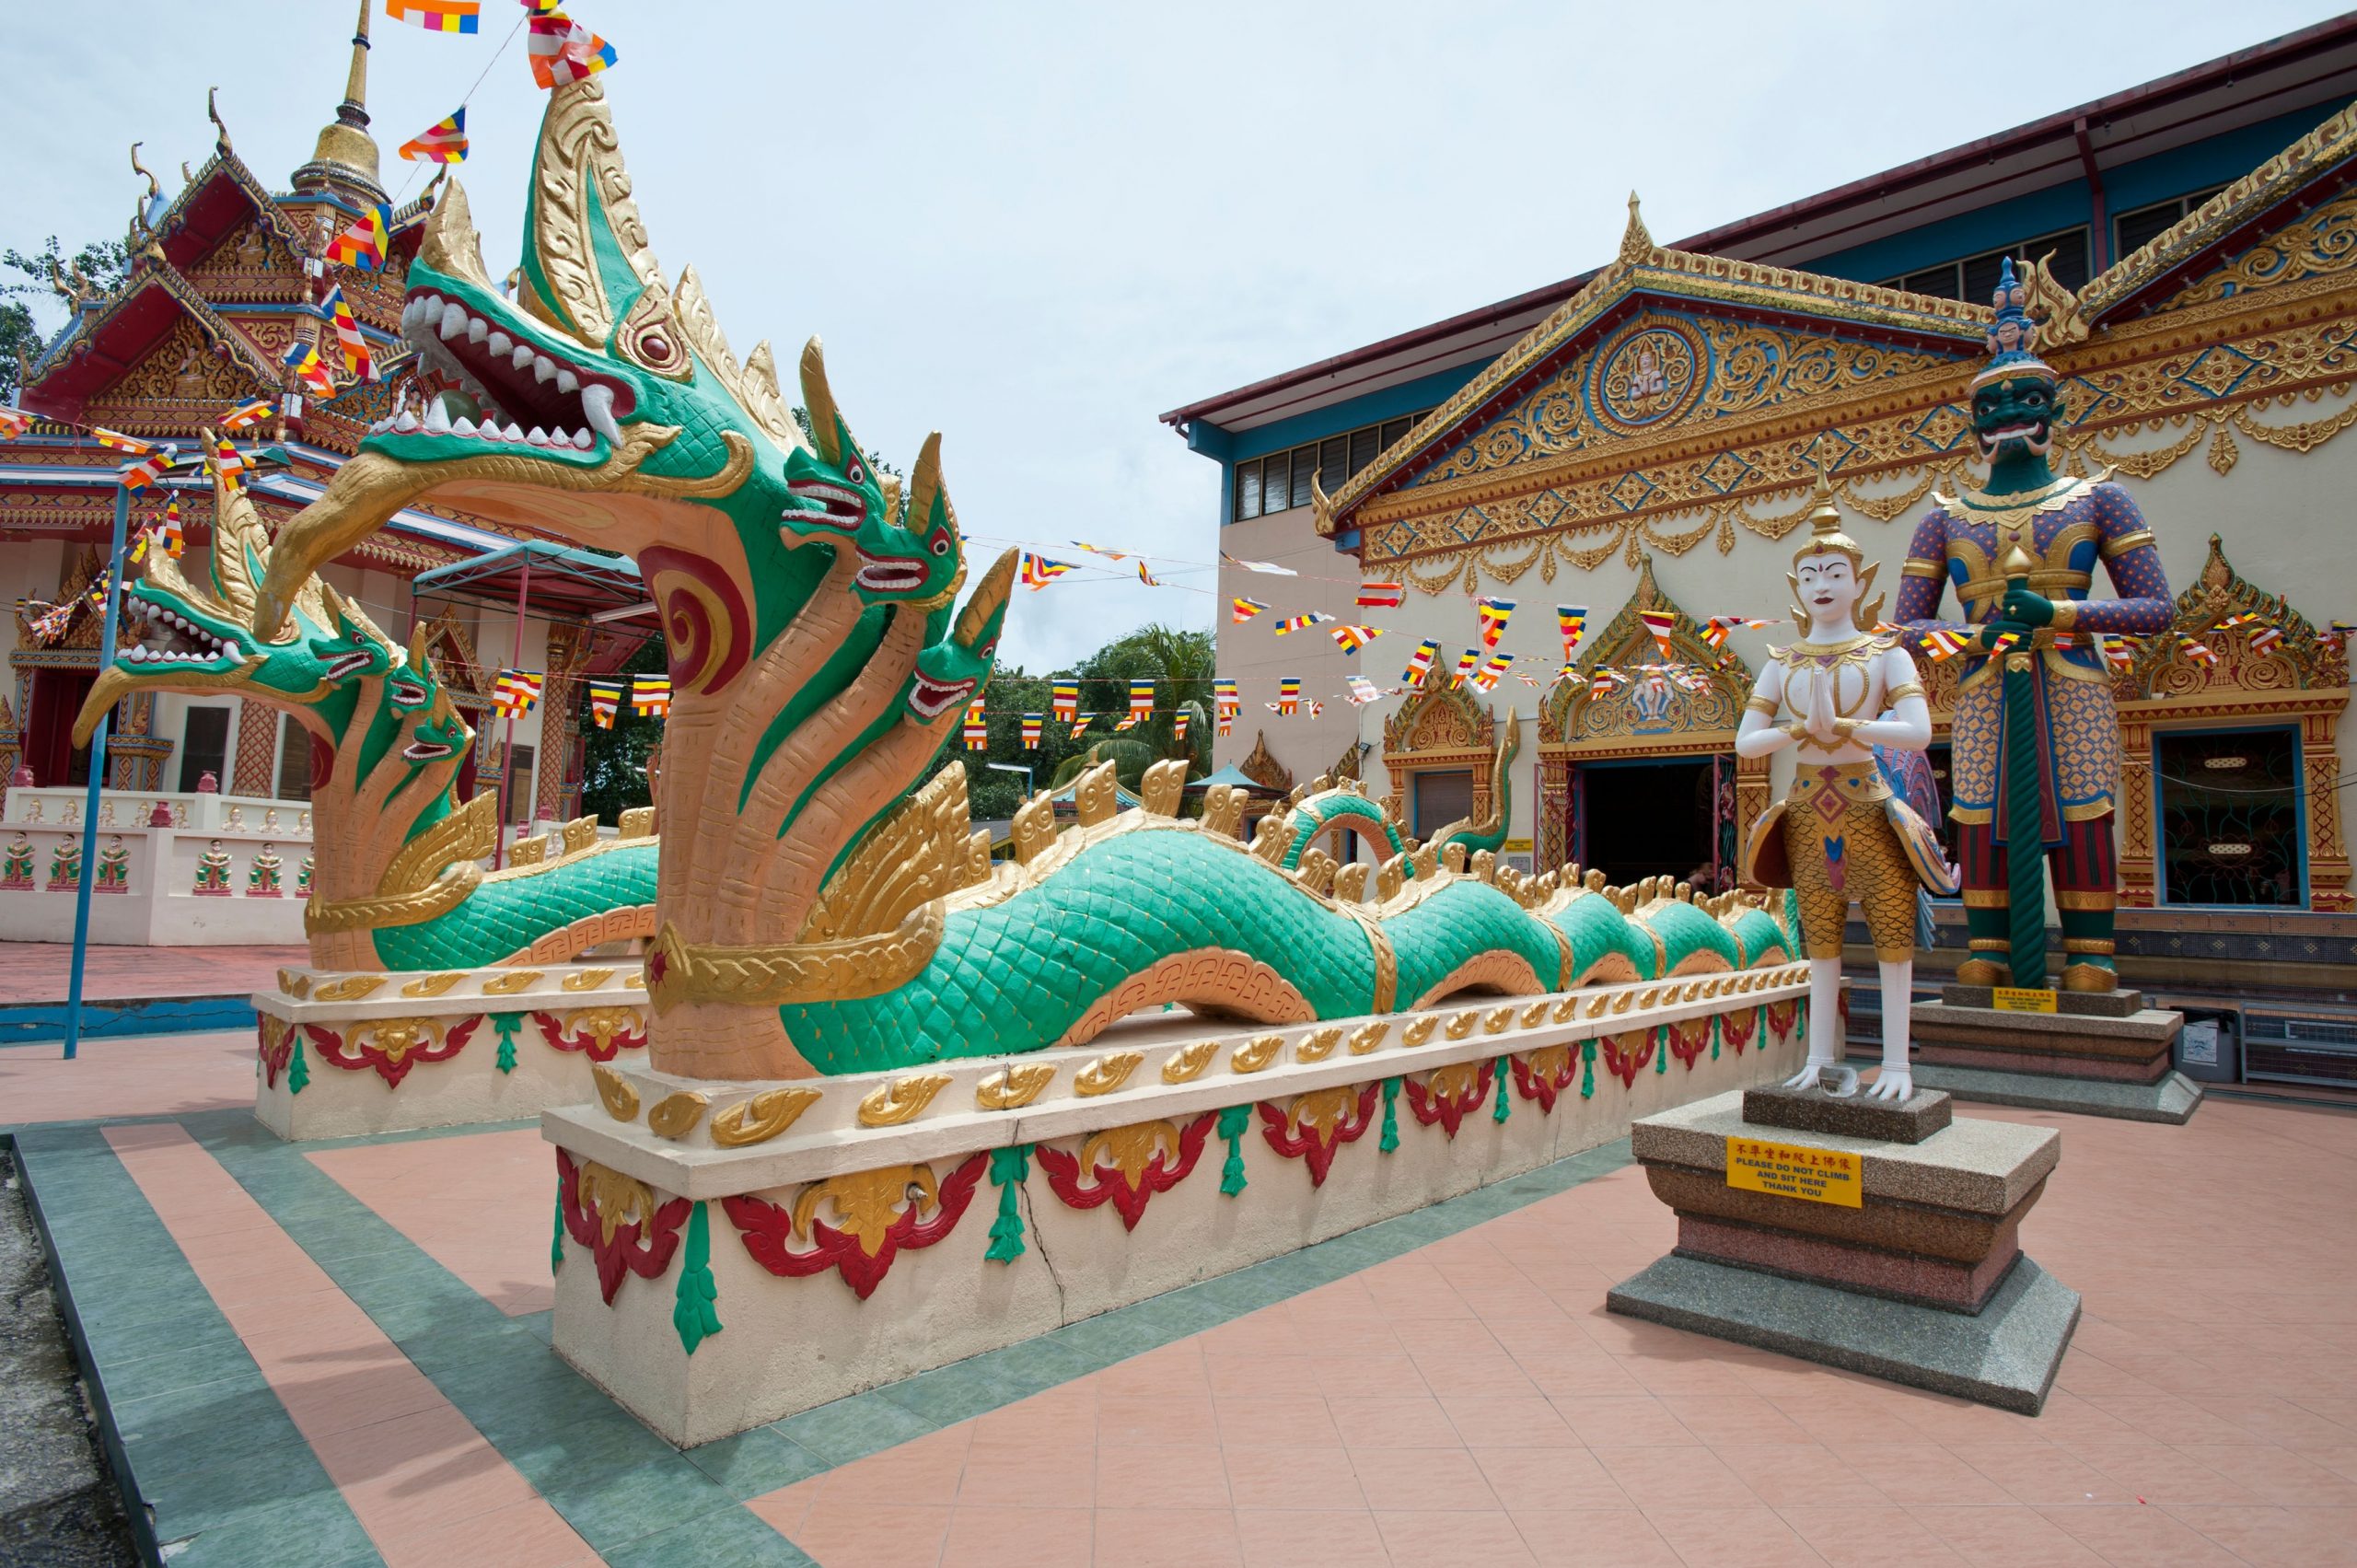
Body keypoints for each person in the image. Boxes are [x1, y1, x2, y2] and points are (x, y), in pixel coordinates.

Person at [1739, 484, 1956, 1101]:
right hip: (1809, 809)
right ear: (1797, 588)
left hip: (1868, 806)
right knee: (1821, 938)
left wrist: (1853, 727)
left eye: (1835, 572)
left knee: (1892, 936)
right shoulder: (1783, 661)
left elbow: (1919, 732)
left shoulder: (1886, 654)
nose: (1822, 584)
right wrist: (1799, 728)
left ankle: (1896, 1064)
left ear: (1860, 581)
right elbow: (1745, 741)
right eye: (1810, 575)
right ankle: (1819, 1057)